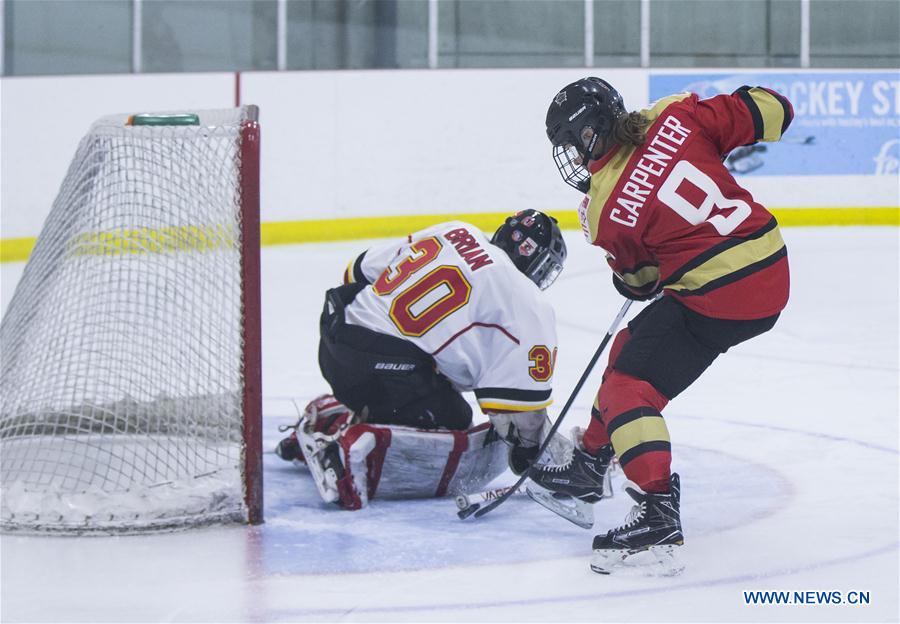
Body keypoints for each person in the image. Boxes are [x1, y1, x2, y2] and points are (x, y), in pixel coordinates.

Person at [531, 77, 792, 574]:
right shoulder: (673, 114)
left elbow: (642, 281)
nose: (572, 153)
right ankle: (591, 461)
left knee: (630, 389)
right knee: (631, 344)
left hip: (720, 295)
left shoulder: (603, 209)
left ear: (593, 130)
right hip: (770, 268)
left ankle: (657, 512)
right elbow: (773, 111)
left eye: (574, 140)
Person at [276, 211, 569, 509]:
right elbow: (524, 417)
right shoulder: (526, 301)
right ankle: (351, 449)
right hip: (379, 375)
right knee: (452, 419)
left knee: (425, 382)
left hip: (335, 337)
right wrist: (535, 454)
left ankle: (328, 417)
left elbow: (357, 271)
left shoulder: (458, 230)